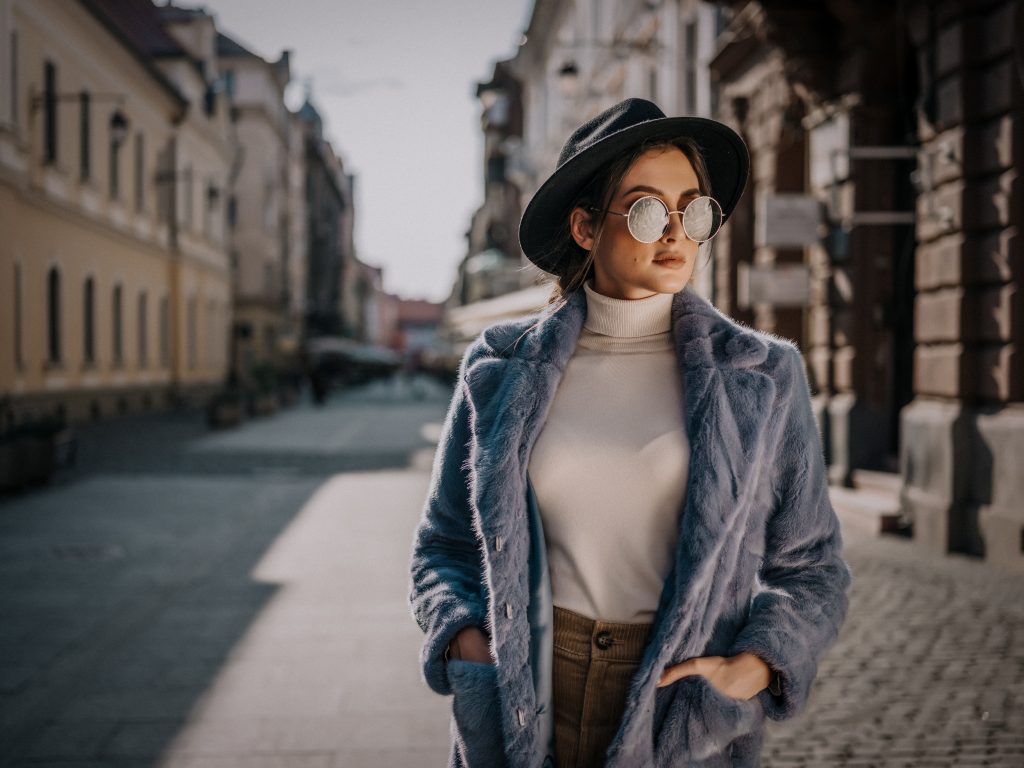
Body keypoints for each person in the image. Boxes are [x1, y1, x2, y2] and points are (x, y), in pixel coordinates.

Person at [408, 98, 853, 768]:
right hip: (525, 691)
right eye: (648, 209)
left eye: (694, 210)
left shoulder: (761, 374)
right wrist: (467, 644)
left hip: (682, 707)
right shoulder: (500, 369)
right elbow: (444, 544)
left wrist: (755, 667)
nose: (676, 232)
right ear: (586, 227)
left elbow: (812, 568)